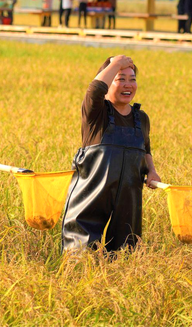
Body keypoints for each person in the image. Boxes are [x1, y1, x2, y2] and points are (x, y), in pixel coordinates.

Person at [61, 55, 161, 253]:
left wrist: (152, 170)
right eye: (120, 78)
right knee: (82, 257)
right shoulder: (97, 113)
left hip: (128, 198)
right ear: (107, 83)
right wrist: (115, 63)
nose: (128, 84)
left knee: (126, 254)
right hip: (91, 197)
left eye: (132, 79)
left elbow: (145, 148)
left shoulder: (140, 118)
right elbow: (94, 91)